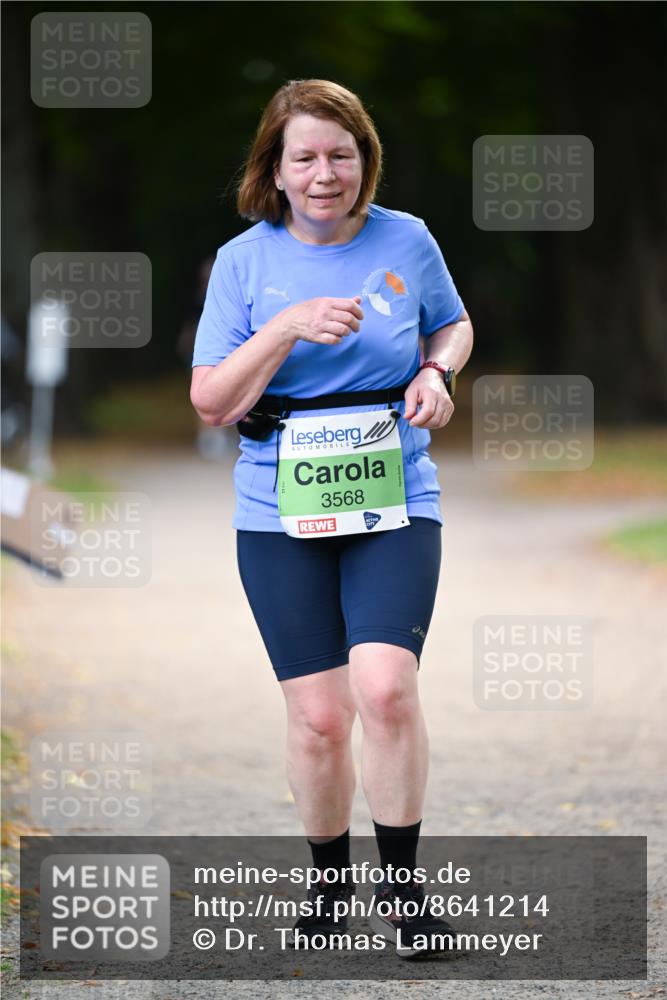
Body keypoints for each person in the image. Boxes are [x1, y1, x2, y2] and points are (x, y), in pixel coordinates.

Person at [190, 79, 474, 958]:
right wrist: (285, 327)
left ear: (364, 161)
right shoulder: (243, 262)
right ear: (274, 171)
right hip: (278, 509)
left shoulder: (406, 238)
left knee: (384, 688)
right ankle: (327, 885)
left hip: (394, 494)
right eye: (305, 158)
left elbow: (452, 324)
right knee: (319, 718)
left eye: (341, 156)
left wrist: (436, 373)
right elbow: (211, 402)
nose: (324, 174)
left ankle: (406, 896)